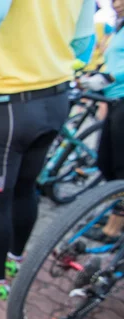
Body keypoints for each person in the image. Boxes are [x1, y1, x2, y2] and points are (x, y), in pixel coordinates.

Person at [0, 0, 95, 299]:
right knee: (26, 188)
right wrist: (46, 58)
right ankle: (15, 260)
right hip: (55, 98)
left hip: (7, 103)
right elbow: (83, 42)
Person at [80, 0, 124, 243]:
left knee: (120, 167)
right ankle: (113, 216)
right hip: (114, 97)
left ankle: (113, 229)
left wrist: (110, 76)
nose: (116, 4)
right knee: (106, 162)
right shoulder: (118, 29)